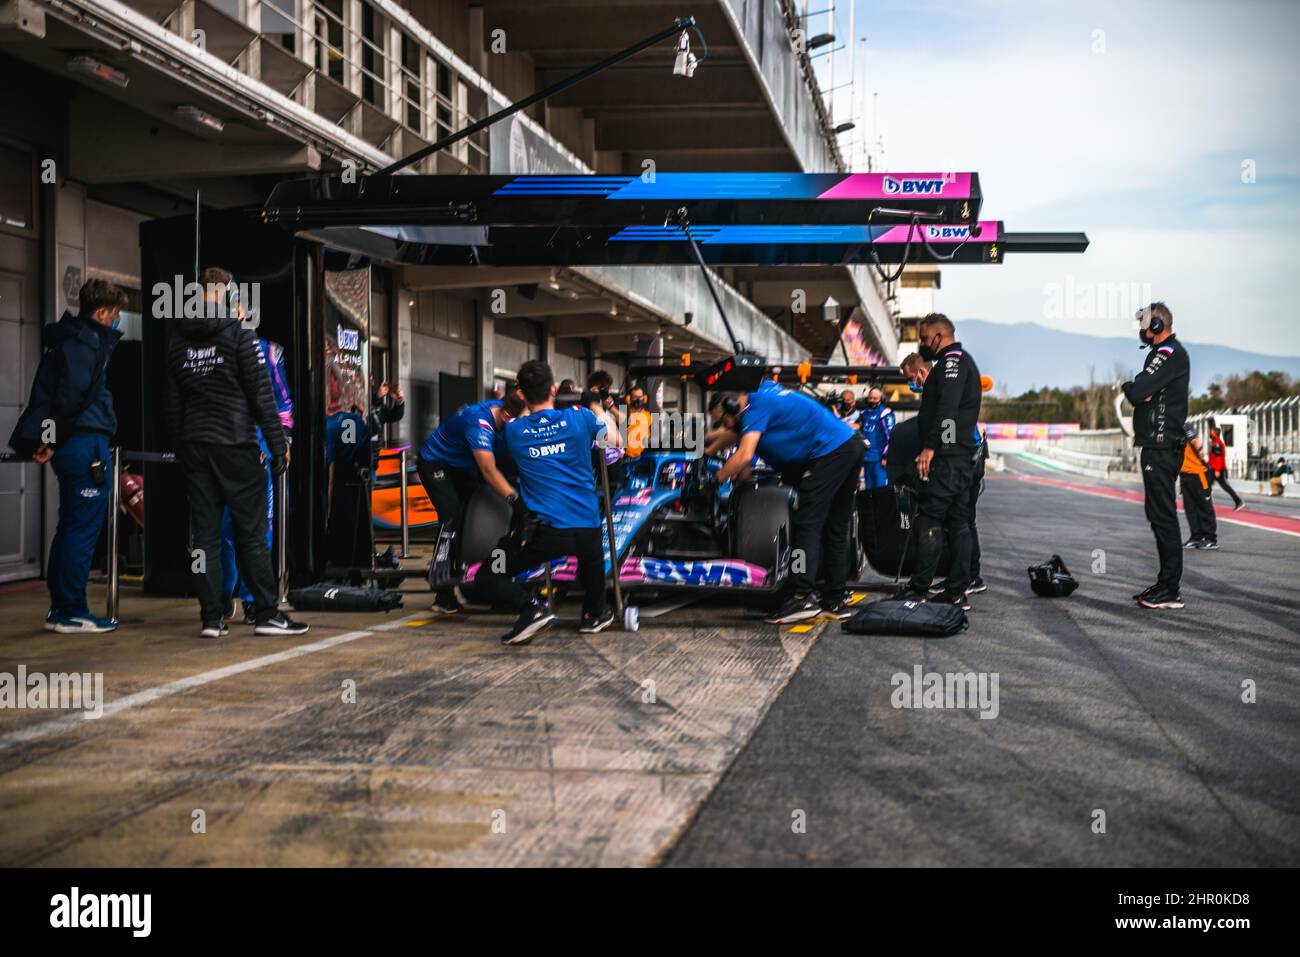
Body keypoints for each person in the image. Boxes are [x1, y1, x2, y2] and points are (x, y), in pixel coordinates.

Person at [165, 267, 308, 638]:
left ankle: (211, 618)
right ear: (228, 294)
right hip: (236, 445)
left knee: (206, 537)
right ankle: (265, 614)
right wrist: (279, 447)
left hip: (196, 447)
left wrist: (186, 446)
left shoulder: (178, 339)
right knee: (252, 533)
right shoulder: (240, 335)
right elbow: (264, 398)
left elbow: (172, 404)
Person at [9, 279, 126, 633]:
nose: (117, 320)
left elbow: (54, 397)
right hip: (85, 444)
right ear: (102, 312)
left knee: (70, 527)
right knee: (82, 531)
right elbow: (69, 399)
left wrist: (50, 441)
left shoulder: (67, 339)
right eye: (116, 314)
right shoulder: (85, 343)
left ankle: (60, 608)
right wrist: (54, 440)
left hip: (72, 444)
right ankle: (73, 610)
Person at [475, 360, 613, 645]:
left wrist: (524, 405)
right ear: (553, 388)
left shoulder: (514, 433)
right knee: (592, 554)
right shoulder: (580, 418)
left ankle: (531, 607)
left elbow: (522, 421)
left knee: (487, 577)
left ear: (523, 394)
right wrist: (597, 406)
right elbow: (614, 439)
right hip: (587, 529)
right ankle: (594, 614)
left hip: (545, 536)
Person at [713, 378, 863, 624]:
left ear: (732, 407)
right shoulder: (763, 393)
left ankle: (802, 595)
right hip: (849, 446)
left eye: (722, 420)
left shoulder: (755, 407)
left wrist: (715, 480)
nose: (723, 426)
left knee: (806, 524)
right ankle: (835, 598)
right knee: (834, 527)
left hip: (828, 455)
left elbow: (743, 455)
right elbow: (734, 438)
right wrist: (707, 453)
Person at [889, 315, 983, 610]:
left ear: (939, 336)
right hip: (960, 457)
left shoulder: (952, 363)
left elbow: (947, 408)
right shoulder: (954, 362)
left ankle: (919, 589)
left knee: (929, 519)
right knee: (958, 522)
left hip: (949, 458)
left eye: (924, 337)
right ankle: (957, 590)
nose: (921, 343)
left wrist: (930, 448)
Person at [417, 387, 525, 614]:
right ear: (507, 416)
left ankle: (493, 585)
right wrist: (514, 499)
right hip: (436, 463)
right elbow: (488, 470)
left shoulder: (505, 416)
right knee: (451, 517)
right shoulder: (480, 424)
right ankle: (442, 589)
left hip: (462, 465)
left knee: (475, 515)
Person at [220, 307, 294, 625]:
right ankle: (222, 595)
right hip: (216, 449)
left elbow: (283, 402)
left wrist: (283, 440)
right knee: (219, 530)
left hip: (256, 450)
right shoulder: (204, 349)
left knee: (257, 528)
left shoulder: (268, 351)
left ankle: (252, 600)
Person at [1121, 302, 1191, 610]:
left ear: (1158, 326)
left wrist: (1130, 385)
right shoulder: (1161, 355)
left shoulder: (1168, 354)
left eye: (1145, 325)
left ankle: (1170, 587)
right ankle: (1166, 583)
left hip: (1162, 448)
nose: (1142, 331)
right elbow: (1143, 392)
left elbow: (1137, 393)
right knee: (1157, 515)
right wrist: (1139, 389)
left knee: (1162, 517)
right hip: (1156, 447)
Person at [1179, 423, 1218, 550]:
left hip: (1198, 473)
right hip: (1185, 475)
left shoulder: (1185, 426)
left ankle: (1210, 538)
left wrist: (1200, 451)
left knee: (1204, 507)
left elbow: (1195, 441)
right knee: (1190, 508)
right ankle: (1196, 537)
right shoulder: (1169, 428)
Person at [859, 386, 895, 490]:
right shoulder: (864, 414)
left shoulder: (885, 413)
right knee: (868, 491)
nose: (872, 400)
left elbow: (890, 436)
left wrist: (886, 456)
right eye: (870, 398)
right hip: (866, 459)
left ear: (881, 399)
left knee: (881, 491)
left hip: (880, 460)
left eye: (875, 398)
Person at [1206, 422, 1244, 510]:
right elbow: (1212, 457)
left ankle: (1206, 504)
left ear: (1216, 434)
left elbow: (1219, 458)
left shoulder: (1218, 444)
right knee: (1216, 486)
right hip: (1213, 468)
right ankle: (1238, 501)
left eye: (1212, 432)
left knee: (1207, 486)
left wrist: (1217, 470)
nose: (1210, 433)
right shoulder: (1213, 443)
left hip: (1216, 469)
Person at [369, 379, 405, 467]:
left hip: (373, 458)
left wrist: (399, 402)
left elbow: (394, 416)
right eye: (370, 380)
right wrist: (378, 396)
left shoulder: (379, 405)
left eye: (372, 379)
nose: (372, 382)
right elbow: (365, 411)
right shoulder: (354, 401)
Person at [624, 382, 652, 458]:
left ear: (644, 398)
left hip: (644, 457)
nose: (638, 400)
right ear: (629, 399)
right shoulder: (624, 414)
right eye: (635, 397)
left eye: (640, 397)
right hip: (626, 457)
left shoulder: (648, 416)